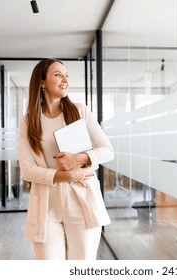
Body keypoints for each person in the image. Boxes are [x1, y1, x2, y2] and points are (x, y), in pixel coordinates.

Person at [18, 58, 114, 260]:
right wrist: (66, 174)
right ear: (42, 82)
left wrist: (78, 158)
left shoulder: (79, 111)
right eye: (58, 74)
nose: (65, 79)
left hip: (81, 202)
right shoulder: (28, 122)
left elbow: (107, 150)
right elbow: (27, 170)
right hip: (46, 208)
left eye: (67, 75)